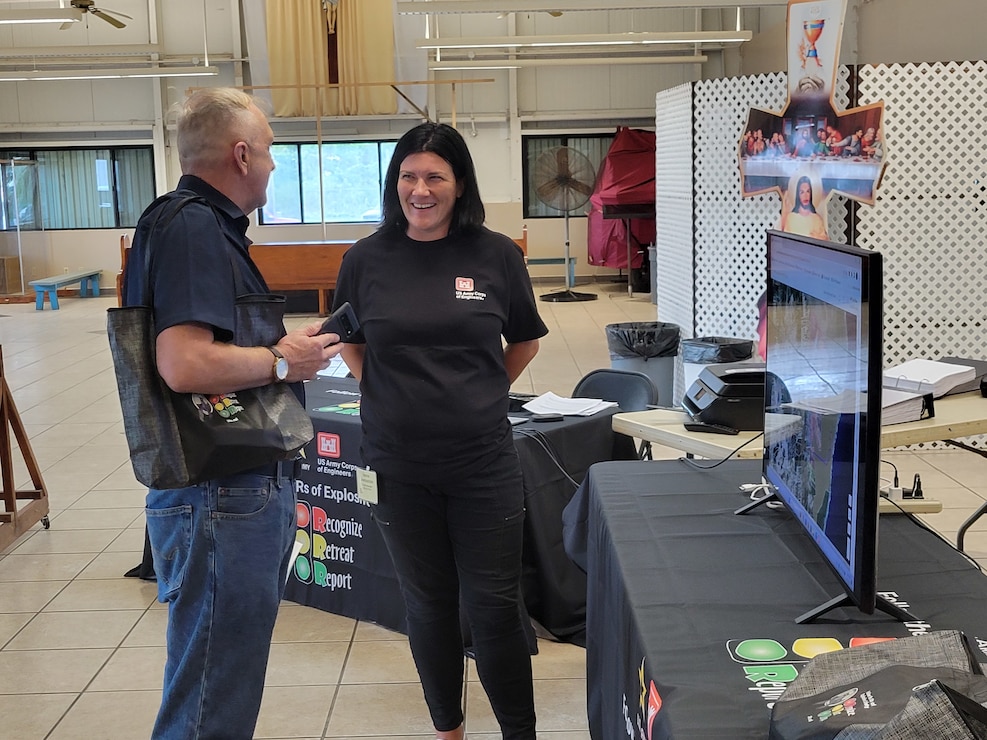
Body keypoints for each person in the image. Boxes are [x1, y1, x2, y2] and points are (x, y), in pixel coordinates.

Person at [122, 87, 342, 739]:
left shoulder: (198, 227)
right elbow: (183, 362)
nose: (274, 165)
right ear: (240, 154)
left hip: (227, 491)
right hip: (221, 493)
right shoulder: (190, 223)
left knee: (215, 684)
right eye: (270, 152)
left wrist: (282, 351)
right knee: (210, 702)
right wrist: (281, 361)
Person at [332, 122, 548, 740]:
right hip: (397, 467)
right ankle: (447, 730)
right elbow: (352, 342)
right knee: (427, 606)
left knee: (494, 607)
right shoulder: (365, 260)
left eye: (434, 177)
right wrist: (398, 393)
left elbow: (525, 340)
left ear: (459, 186)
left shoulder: (496, 253)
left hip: (483, 465)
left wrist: (478, 393)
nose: (419, 190)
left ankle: (518, 733)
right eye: (408, 176)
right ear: (393, 182)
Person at [779, 175, 828, 239]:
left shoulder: (817, 219)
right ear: (798, 195)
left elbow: (824, 239)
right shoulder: (791, 218)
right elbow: (786, 240)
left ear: (811, 194)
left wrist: (816, 237)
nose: (805, 196)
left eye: (808, 191)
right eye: (802, 192)